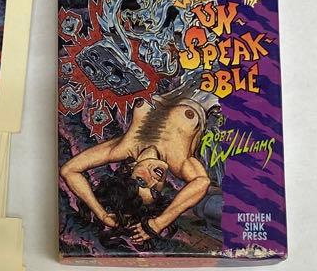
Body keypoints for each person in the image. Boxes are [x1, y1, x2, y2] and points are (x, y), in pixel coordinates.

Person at [60, 79, 221, 244]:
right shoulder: (179, 162)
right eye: (155, 191)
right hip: (215, 88)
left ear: (129, 169)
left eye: (142, 181)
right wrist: (160, 222)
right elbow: (202, 182)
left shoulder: (123, 147)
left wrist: (102, 214)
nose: (155, 180)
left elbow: (69, 170)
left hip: (179, 74)